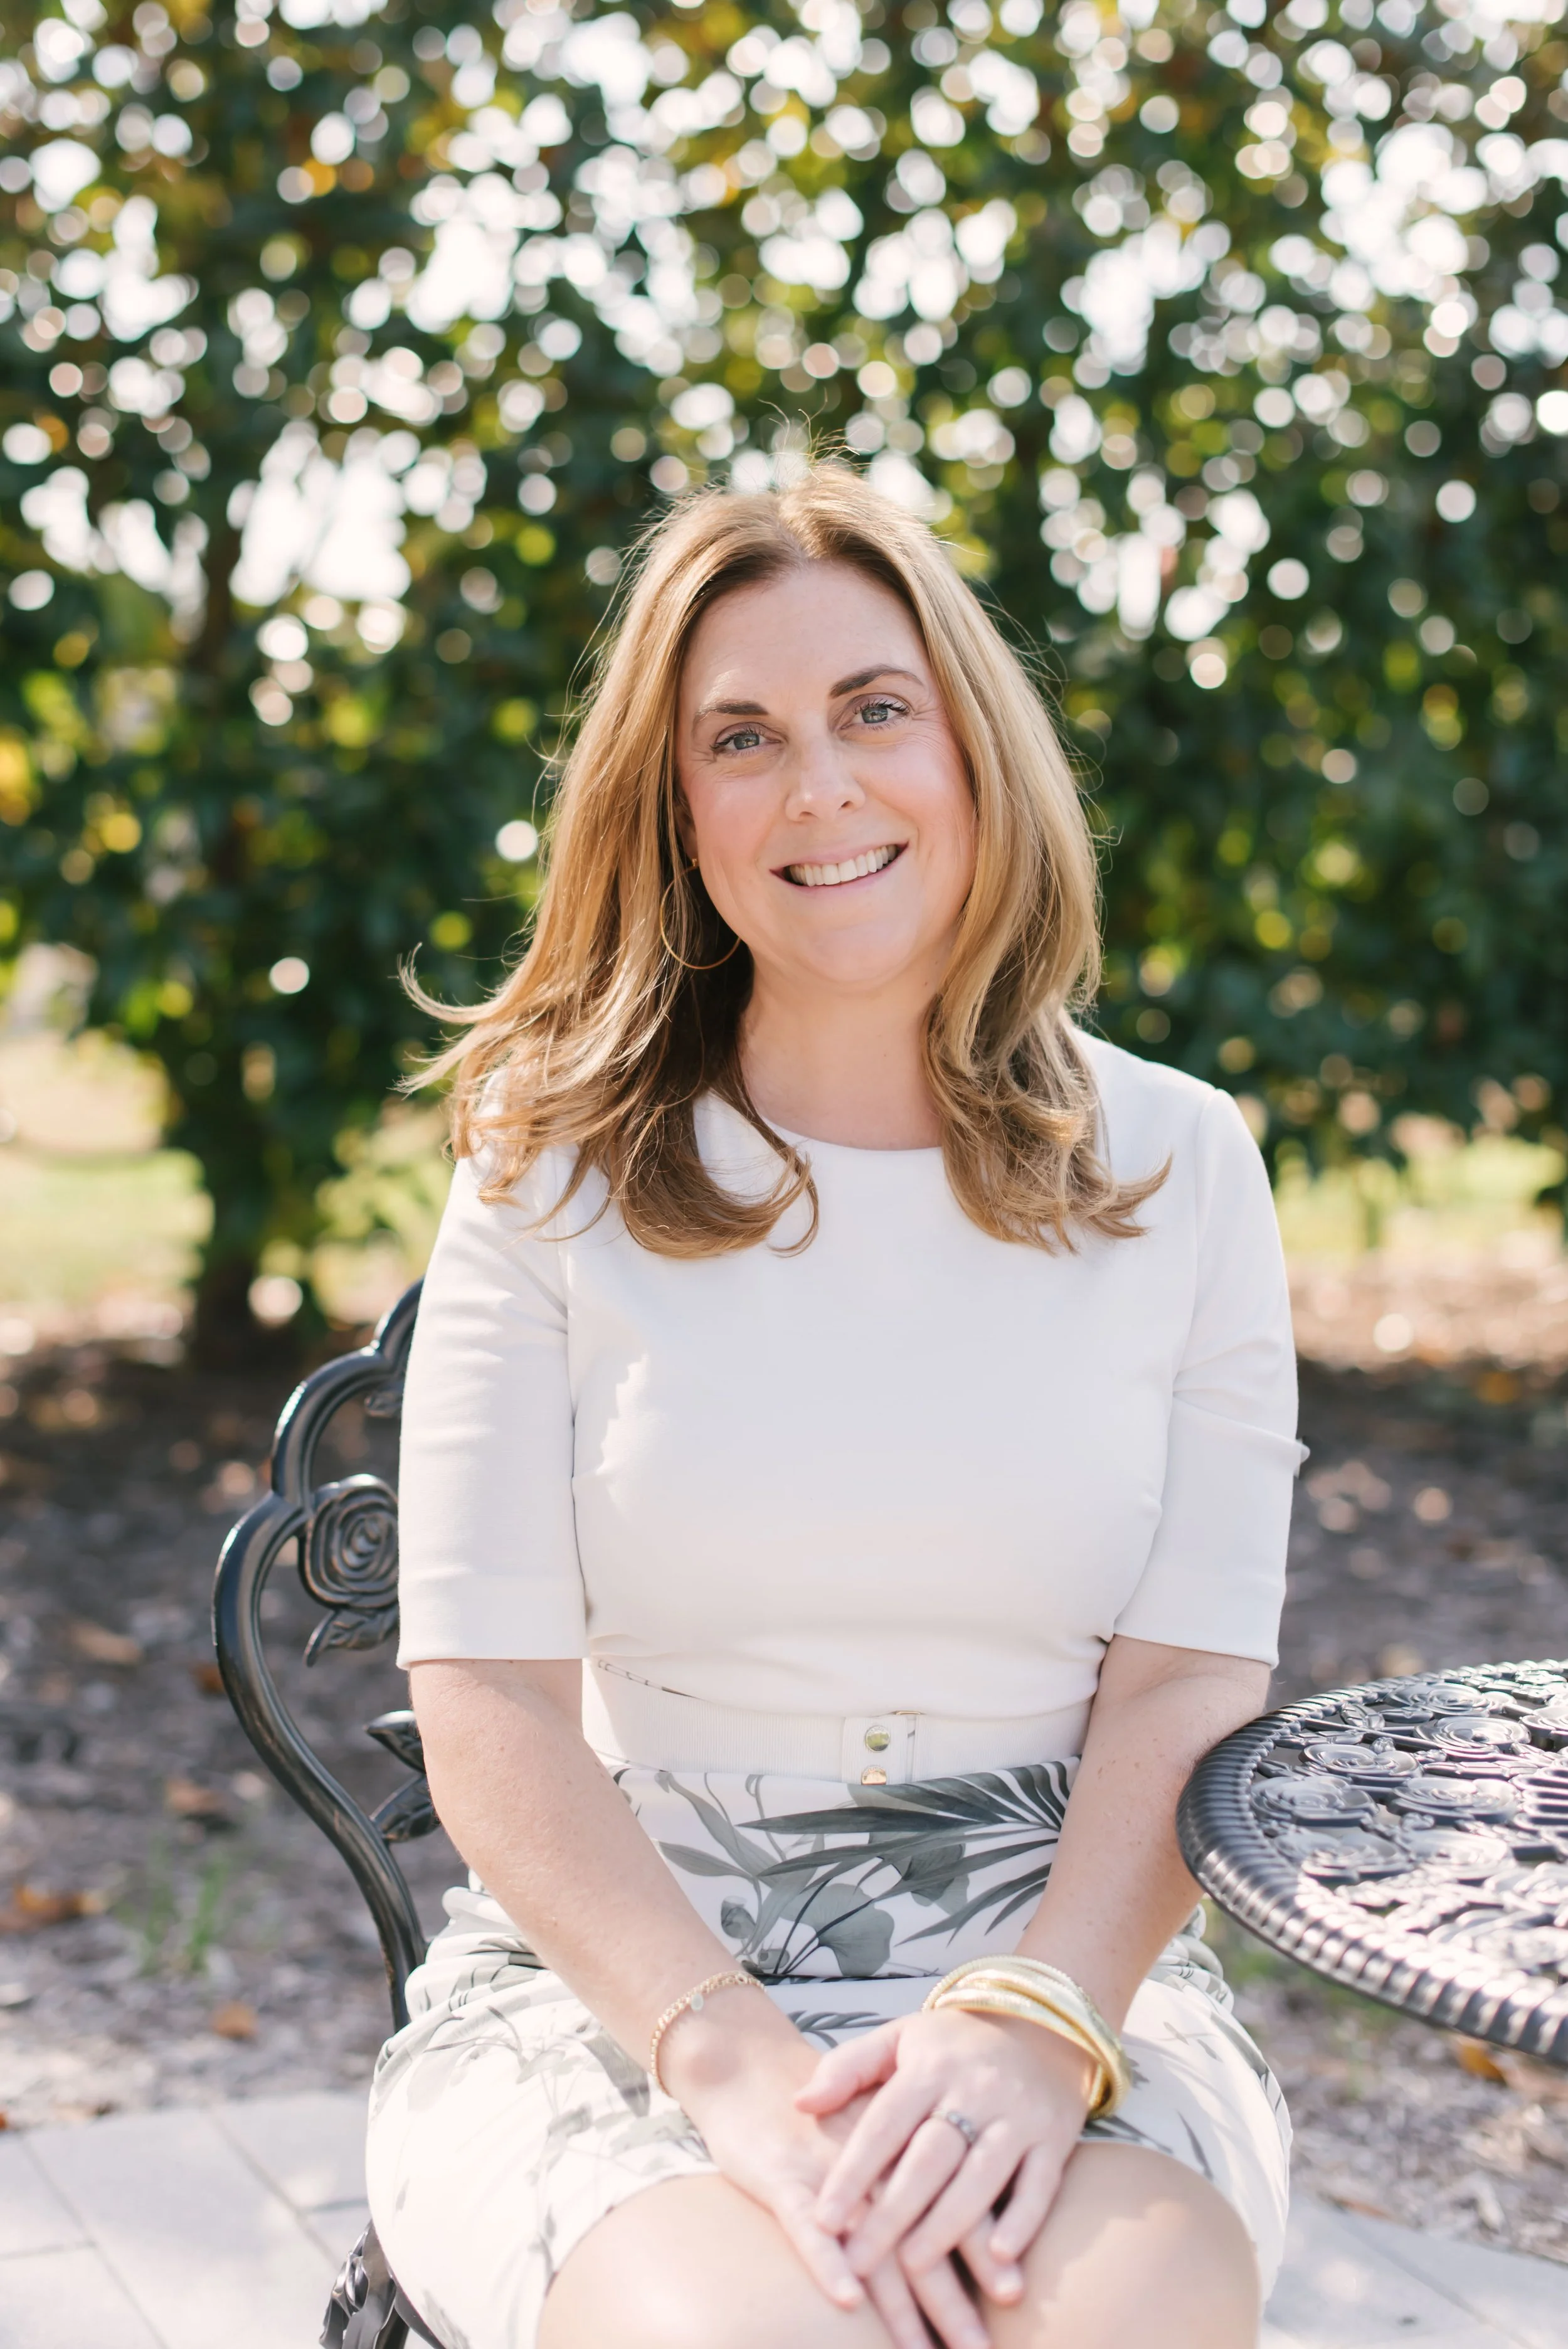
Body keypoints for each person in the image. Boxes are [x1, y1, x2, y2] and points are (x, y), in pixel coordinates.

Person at [366, 462, 1303, 2349]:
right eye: (742, 738)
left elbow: (1191, 1680)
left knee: (1106, 2322)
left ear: (970, 748)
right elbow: (485, 1707)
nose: (823, 787)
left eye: (875, 709)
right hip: (629, 1975)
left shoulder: (1183, 1164)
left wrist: (1039, 2030)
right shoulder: (544, 1173)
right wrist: (722, 2063)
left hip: (1067, 1954)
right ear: (675, 810)